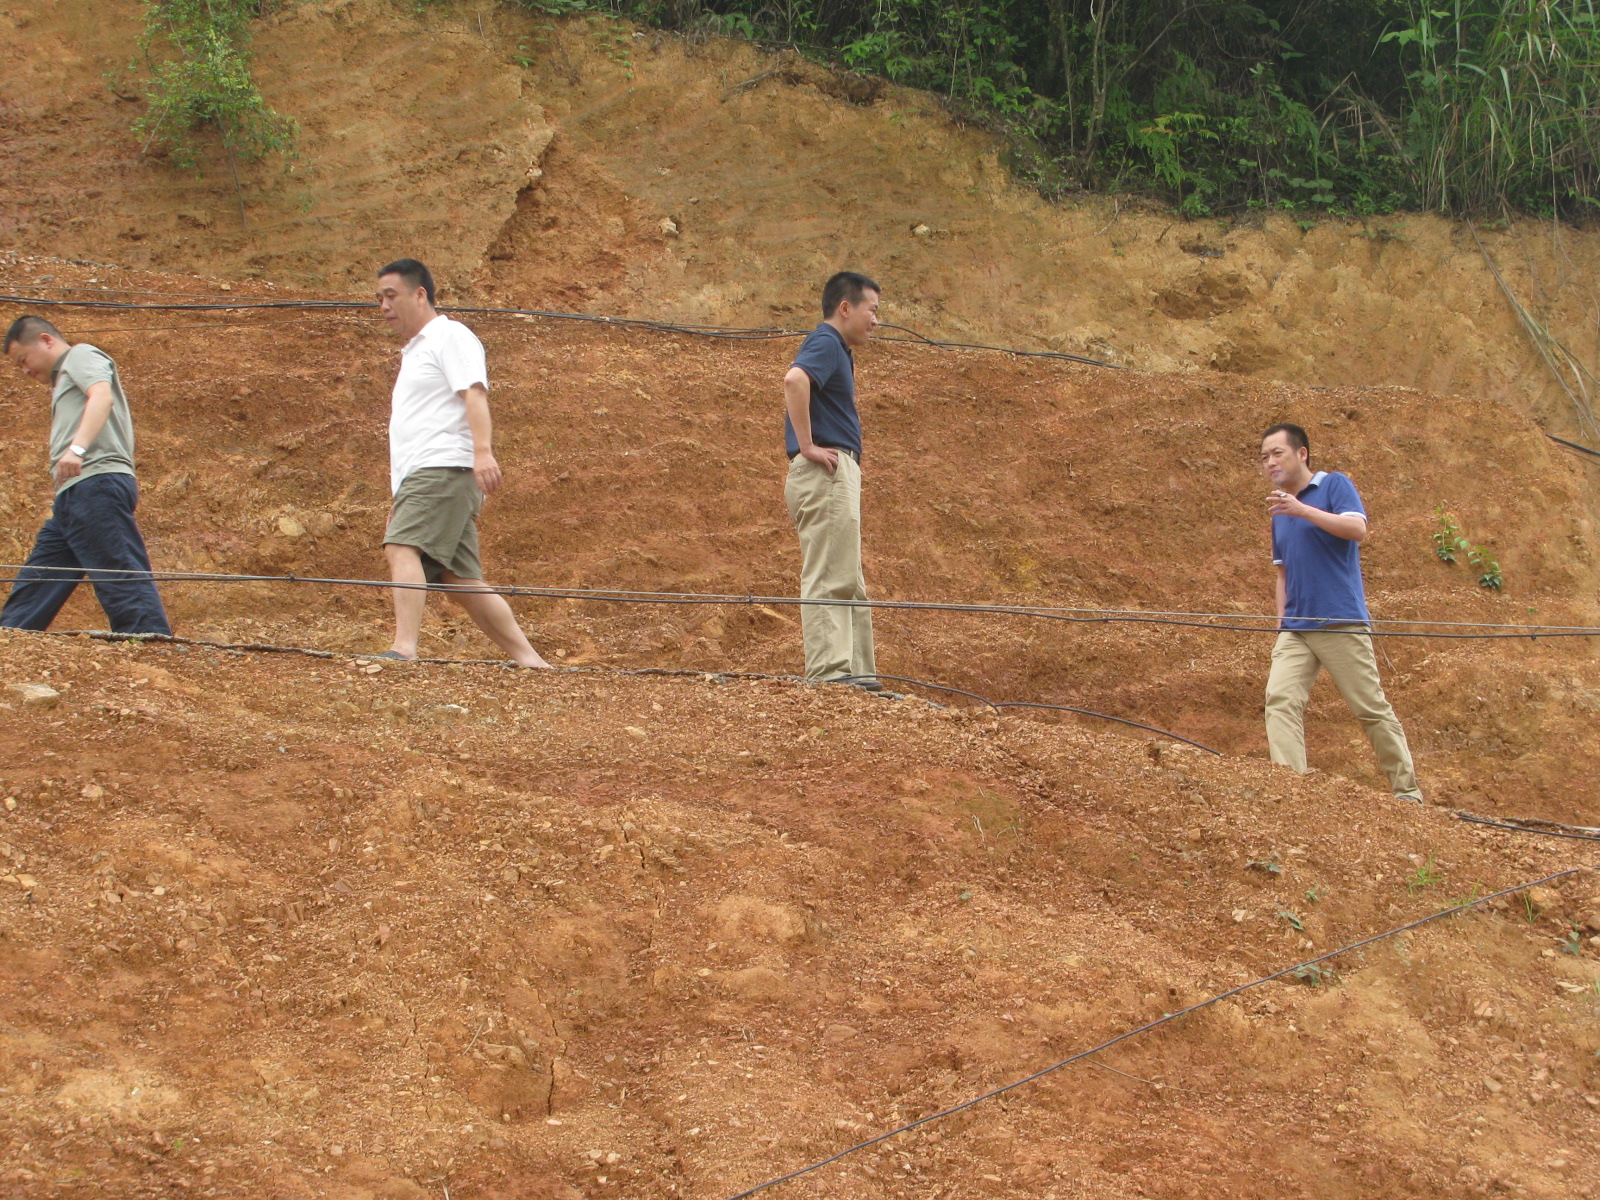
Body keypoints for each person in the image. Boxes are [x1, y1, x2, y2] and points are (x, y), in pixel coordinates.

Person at [373, 259, 550, 667]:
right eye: (379, 298)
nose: (384, 305)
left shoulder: (449, 336)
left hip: (443, 468)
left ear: (420, 294)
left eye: (391, 295)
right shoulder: (417, 350)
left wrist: (483, 451)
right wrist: (402, 494)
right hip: (430, 473)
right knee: (460, 580)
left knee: (402, 546)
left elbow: (474, 394)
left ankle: (403, 648)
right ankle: (532, 662)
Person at [1260, 422, 1423, 801]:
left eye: (1277, 453)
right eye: (1264, 457)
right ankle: (1292, 789)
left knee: (1368, 707)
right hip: (1296, 627)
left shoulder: (1333, 485)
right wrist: (1282, 623)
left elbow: (1356, 529)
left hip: (1340, 620)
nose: (1269, 462)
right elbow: (1282, 571)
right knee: (1280, 701)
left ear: (1302, 453)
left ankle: (1408, 793)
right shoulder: (1279, 510)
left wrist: (1302, 510)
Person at [1, 316, 171, 636]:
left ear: (46, 340)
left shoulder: (79, 356)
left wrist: (76, 450)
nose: (24, 370)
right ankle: (10, 638)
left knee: (117, 571)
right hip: (75, 493)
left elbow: (101, 396)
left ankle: (152, 644)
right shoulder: (63, 376)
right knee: (41, 576)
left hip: (95, 483)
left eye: (24, 359)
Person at [783, 271, 883, 690]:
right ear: (846, 307)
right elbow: (794, 380)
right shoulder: (825, 342)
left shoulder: (837, 349)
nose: (875, 320)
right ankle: (829, 678)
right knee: (829, 573)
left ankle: (858, 674)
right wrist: (807, 444)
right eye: (872, 310)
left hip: (838, 470)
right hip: (825, 469)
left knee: (847, 576)